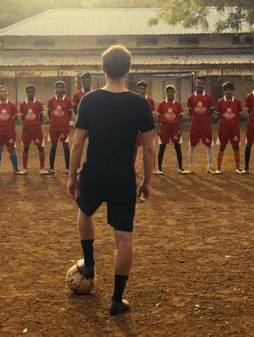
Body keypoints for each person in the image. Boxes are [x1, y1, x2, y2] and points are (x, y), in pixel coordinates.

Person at [67, 45, 155, 316]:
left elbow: (78, 142)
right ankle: (117, 300)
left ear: (102, 68)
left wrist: (72, 175)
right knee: (123, 237)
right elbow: (150, 148)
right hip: (122, 177)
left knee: (84, 212)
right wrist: (147, 181)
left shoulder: (89, 100)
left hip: (93, 173)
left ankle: (90, 265)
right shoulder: (140, 103)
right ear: (128, 69)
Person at [0, 86, 23, 175]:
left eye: (4, 91)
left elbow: (16, 118)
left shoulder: (12, 104)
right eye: (1, 92)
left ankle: (16, 169)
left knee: (12, 149)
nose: (3, 93)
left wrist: (10, 122)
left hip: (10, 132)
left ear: (7, 93)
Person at [186, 76, 216, 174]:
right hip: (194, 126)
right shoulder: (190, 97)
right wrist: (196, 119)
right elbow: (190, 112)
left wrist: (205, 119)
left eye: (202, 84)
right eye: (198, 83)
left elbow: (211, 111)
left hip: (206, 127)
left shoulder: (209, 97)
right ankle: (190, 167)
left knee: (210, 146)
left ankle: (210, 167)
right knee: (192, 146)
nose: (200, 85)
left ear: (204, 85)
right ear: (195, 84)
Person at [214, 82, 245, 174]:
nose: (228, 92)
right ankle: (218, 168)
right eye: (226, 90)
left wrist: (233, 121)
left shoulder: (237, 102)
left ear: (232, 91)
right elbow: (218, 115)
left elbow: (239, 114)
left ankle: (238, 168)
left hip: (234, 127)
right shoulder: (220, 102)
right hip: (223, 128)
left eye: (230, 90)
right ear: (224, 91)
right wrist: (225, 121)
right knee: (222, 147)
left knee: (236, 147)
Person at [156, 85, 188, 175]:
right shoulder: (162, 104)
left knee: (177, 147)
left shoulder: (177, 104)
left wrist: (180, 129)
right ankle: (159, 168)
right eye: (168, 92)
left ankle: (181, 168)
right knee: (162, 148)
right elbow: (158, 117)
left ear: (174, 93)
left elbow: (181, 118)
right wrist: (158, 128)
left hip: (175, 127)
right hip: (164, 127)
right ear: (166, 93)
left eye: (171, 91)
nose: (170, 93)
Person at [20, 85, 50, 175]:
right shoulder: (22, 104)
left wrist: (36, 123)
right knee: (26, 148)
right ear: (26, 92)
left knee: (40, 148)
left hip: (37, 129)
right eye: (29, 92)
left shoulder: (39, 103)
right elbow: (22, 118)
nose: (30, 93)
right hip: (26, 129)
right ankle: (24, 168)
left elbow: (40, 117)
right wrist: (28, 122)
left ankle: (42, 168)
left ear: (34, 92)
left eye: (32, 92)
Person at [47, 81, 73, 174]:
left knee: (66, 147)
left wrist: (64, 121)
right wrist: (55, 120)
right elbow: (49, 113)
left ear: (64, 89)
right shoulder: (51, 100)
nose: (59, 89)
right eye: (57, 87)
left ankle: (67, 168)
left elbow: (70, 114)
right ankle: (51, 168)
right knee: (53, 147)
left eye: (61, 87)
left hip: (64, 128)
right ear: (55, 89)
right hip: (53, 128)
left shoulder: (68, 100)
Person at [134, 80, 156, 163]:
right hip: (135, 128)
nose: (142, 90)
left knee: (148, 148)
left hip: (146, 128)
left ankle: (151, 167)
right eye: (140, 88)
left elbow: (153, 114)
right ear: (137, 89)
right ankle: (132, 166)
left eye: (143, 88)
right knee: (134, 148)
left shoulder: (150, 100)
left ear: (146, 89)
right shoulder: (133, 100)